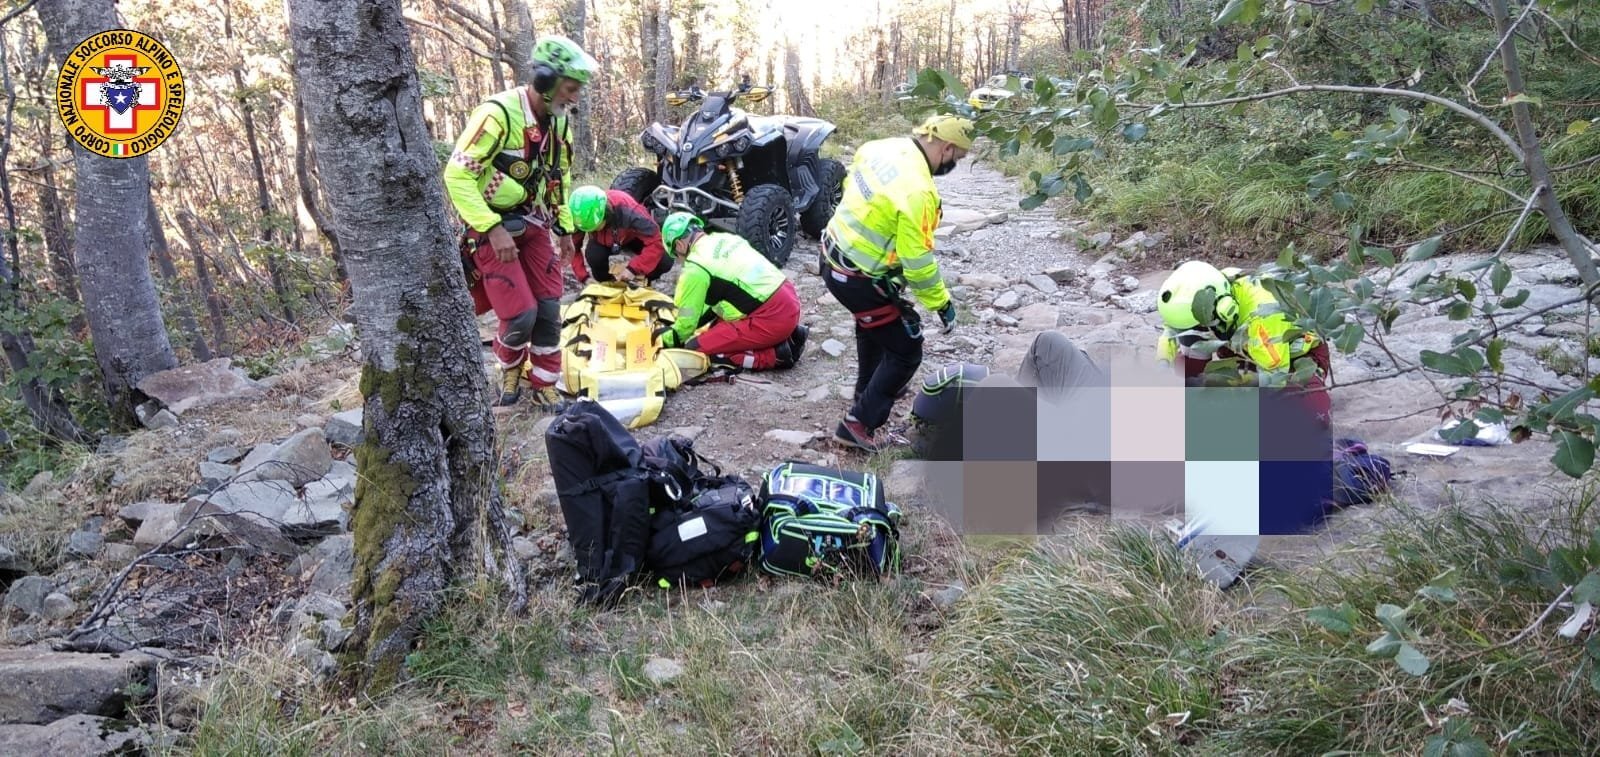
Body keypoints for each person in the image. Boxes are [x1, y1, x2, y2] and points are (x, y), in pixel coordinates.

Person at [444, 34, 598, 410]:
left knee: (548, 310)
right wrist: (491, 228)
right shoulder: (497, 114)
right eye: (570, 88)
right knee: (520, 314)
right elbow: (456, 175)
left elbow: (557, 178)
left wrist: (563, 229)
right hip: (494, 230)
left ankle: (544, 382)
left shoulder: (559, 124)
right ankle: (510, 368)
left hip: (535, 225)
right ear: (545, 80)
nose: (575, 97)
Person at [821, 113, 974, 451]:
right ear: (947, 147)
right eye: (958, 158)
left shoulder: (881, 147)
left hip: (832, 254)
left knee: (874, 322)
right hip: (857, 277)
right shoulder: (919, 191)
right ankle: (857, 425)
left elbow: (853, 189)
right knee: (907, 348)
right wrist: (942, 304)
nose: (955, 165)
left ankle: (866, 390)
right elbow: (918, 263)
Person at [1154, 260, 1332, 426]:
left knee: (1309, 414)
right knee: (1183, 365)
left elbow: (1275, 377)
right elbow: (1171, 331)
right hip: (1245, 349)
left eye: (1200, 328)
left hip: (1295, 359)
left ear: (1225, 311)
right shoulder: (1211, 288)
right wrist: (1162, 364)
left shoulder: (1264, 316)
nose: (1198, 335)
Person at [656, 212, 809, 371]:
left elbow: (686, 323)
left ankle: (776, 355)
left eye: (677, 256)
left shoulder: (695, 267)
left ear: (679, 245)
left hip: (771, 317)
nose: (680, 261)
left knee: (697, 350)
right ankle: (790, 334)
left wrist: (666, 340)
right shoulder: (726, 239)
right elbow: (717, 301)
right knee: (715, 330)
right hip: (787, 298)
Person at [563, 185, 674, 286]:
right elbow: (573, 249)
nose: (594, 230)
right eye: (590, 230)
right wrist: (584, 278)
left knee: (665, 259)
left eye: (596, 227)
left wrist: (633, 269)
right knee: (594, 256)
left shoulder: (627, 209)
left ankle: (644, 280)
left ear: (606, 213)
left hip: (633, 238)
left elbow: (656, 240)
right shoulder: (579, 218)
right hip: (604, 241)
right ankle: (605, 281)